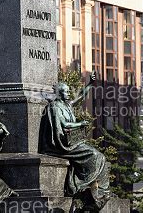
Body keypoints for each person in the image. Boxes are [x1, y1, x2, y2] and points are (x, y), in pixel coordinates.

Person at [39, 73, 111, 210]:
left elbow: (81, 97)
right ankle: (85, 190)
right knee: (96, 156)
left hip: (71, 141)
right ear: (59, 94)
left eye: (68, 91)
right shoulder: (55, 107)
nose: (68, 93)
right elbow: (64, 124)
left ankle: (98, 191)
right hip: (61, 144)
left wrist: (90, 83)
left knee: (100, 157)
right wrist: (80, 123)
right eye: (65, 91)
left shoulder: (67, 105)